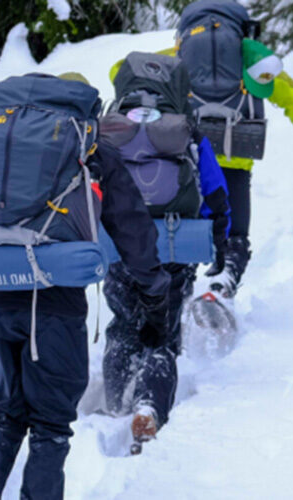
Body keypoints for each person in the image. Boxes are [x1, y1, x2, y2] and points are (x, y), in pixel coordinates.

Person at [0, 72, 170, 499]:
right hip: (54, 300)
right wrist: (154, 298)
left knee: (4, 415)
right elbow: (133, 229)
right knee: (49, 427)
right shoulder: (91, 146)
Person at [109, 0, 293, 300]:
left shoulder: (177, 58)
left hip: (189, 160)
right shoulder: (253, 62)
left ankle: (178, 296)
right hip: (236, 158)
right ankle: (221, 286)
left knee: (184, 232)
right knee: (234, 236)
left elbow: (120, 71)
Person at [100, 52, 231, 445]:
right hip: (172, 243)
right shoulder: (186, 128)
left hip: (121, 241)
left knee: (123, 324)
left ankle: (113, 405)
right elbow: (215, 190)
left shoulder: (112, 124)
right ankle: (148, 407)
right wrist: (218, 240)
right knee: (164, 331)